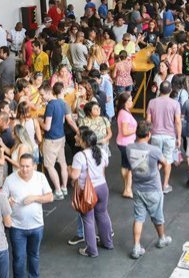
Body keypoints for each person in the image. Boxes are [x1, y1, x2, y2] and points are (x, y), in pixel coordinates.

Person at [2, 154, 53, 278]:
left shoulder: (40, 177)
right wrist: (8, 202)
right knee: (18, 257)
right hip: (17, 226)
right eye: (22, 165)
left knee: (34, 255)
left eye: (27, 166)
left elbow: (50, 196)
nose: (24, 169)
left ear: (34, 166)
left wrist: (35, 198)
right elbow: (3, 200)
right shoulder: (10, 180)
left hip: (37, 225)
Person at [127, 121, 172, 259]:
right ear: (149, 134)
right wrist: (165, 183)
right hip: (153, 188)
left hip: (137, 188)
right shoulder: (154, 151)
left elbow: (138, 165)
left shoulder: (129, 148)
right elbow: (166, 164)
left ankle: (136, 247)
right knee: (158, 216)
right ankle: (162, 238)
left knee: (139, 218)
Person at [70, 129, 113, 257]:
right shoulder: (102, 151)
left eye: (79, 137)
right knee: (102, 214)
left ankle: (92, 250)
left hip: (88, 191)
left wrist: (68, 169)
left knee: (88, 220)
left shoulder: (80, 156)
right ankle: (108, 243)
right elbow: (104, 166)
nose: (76, 138)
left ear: (83, 141)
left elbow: (74, 175)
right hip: (103, 187)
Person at [38, 82, 78, 200]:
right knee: (62, 163)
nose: (41, 97)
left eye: (42, 95)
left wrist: (39, 120)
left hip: (51, 139)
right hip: (61, 137)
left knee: (49, 166)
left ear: (49, 92)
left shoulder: (50, 106)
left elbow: (47, 127)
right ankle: (64, 187)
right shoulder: (62, 103)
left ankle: (58, 191)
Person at [146, 81, 181, 194]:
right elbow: (178, 122)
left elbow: (148, 121)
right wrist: (179, 137)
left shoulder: (152, 102)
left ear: (159, 90)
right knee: (167, 160)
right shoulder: (175, 104)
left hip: (155, 135)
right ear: (170, 90)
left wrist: (148, 134)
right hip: (170, 136)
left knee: (156, 160)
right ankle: (165, 185)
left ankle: (152, 183)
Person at [116, 92, 136, 198]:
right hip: (126, 144)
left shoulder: (123, 111)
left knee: (125, 165)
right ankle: (128, 189)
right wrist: (136, 130)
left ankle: (126, 187)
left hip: (123, 143)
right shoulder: (124, 114)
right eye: (129, 101)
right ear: (124, 102)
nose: (131, 102)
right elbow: (125, 131)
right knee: (131, 167)